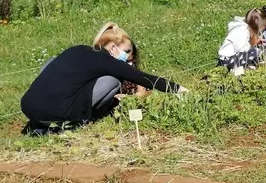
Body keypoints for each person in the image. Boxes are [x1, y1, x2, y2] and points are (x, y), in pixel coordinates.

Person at [21, 23, 186, 133]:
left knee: (52, 62)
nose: (129, 57)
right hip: (56, 110)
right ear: (113, 48)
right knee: (111, 81)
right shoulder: (105, 59)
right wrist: (177, 89)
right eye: (127, 51)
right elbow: (142, 77)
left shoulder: (79, 49)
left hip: (28, 106)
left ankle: (39, 125)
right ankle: (72, 122)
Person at [218, 7, 266, 73]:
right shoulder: (242, 31)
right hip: (227, 60)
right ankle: (237, 70)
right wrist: (253, 45)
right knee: (255, 51)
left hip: (231, 58)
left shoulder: (245, 29)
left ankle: (245, 67)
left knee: (255, 51)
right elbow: (241, 49)